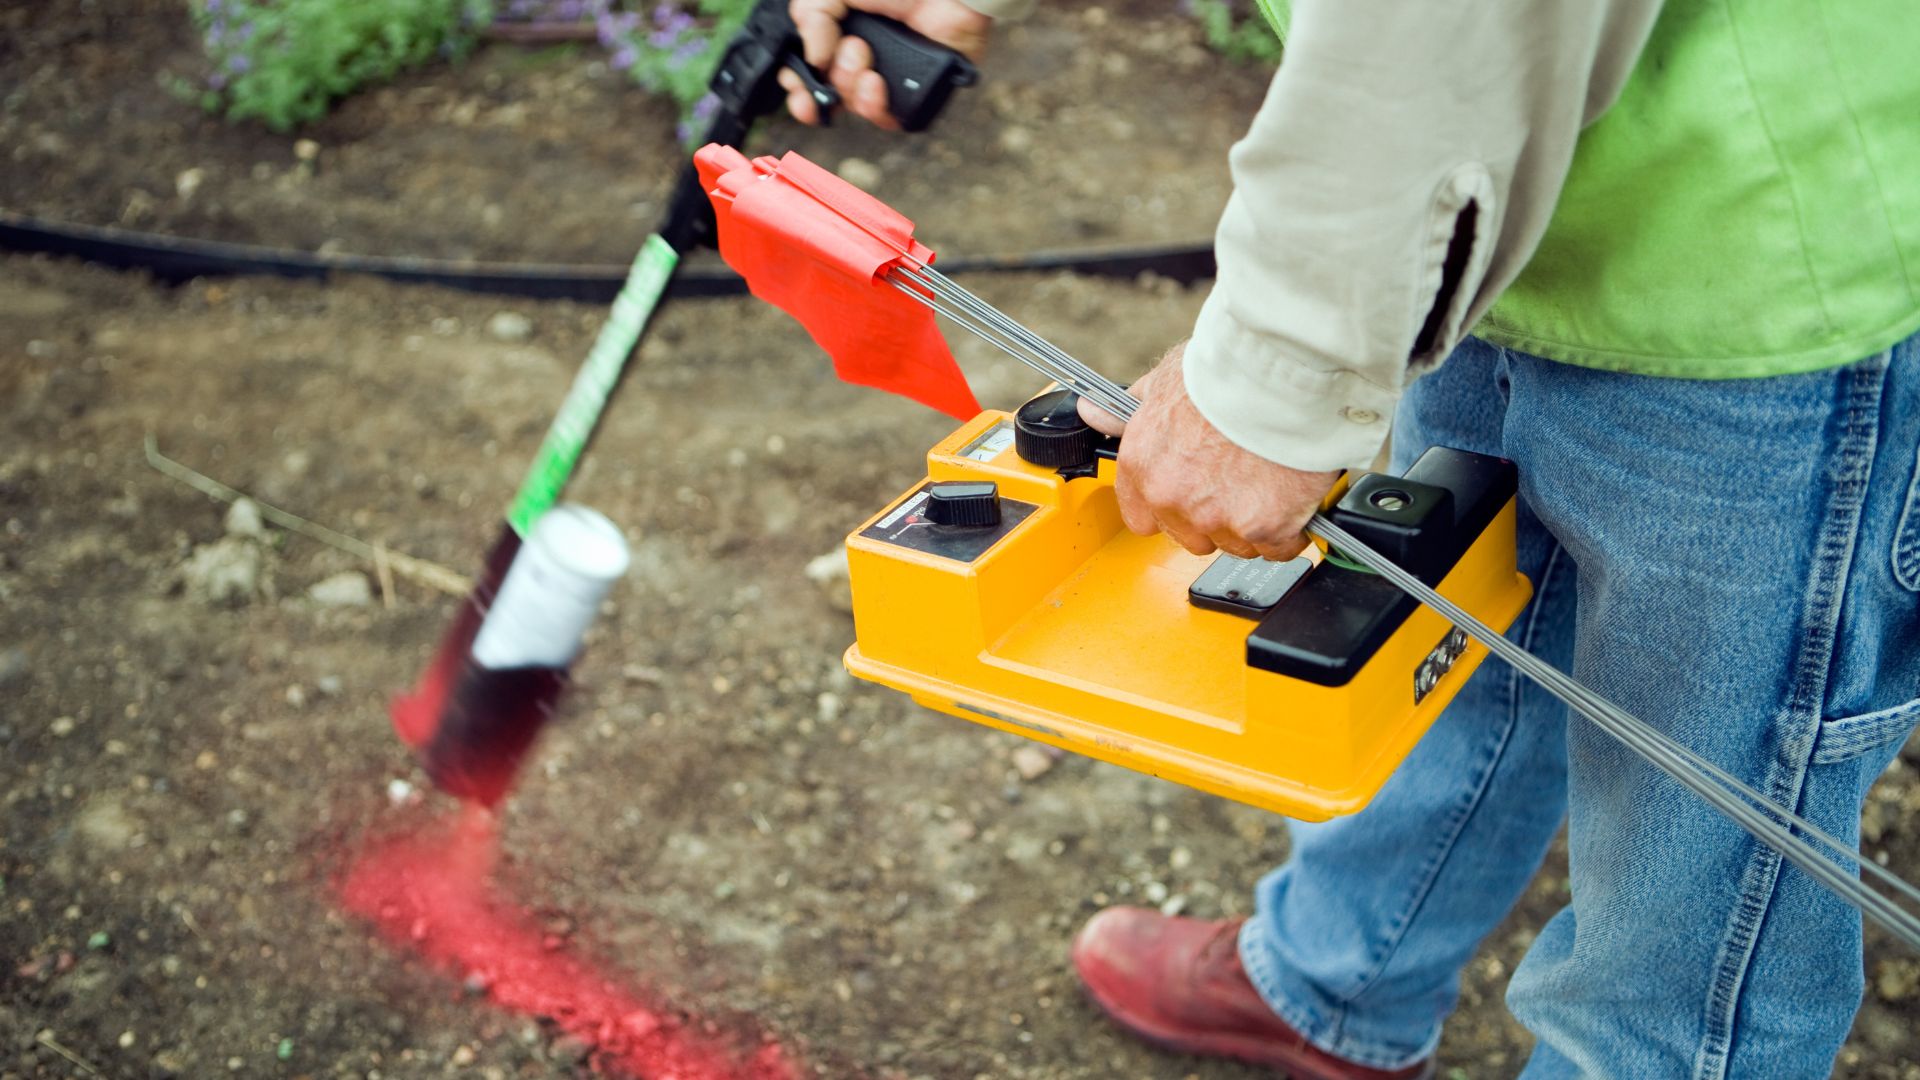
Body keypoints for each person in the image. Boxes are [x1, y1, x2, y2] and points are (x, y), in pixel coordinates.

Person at [783, 0, 1920, 1075]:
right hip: (1486, 218)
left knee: (1702, 892)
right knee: (1434, 655)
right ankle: (1337, 986)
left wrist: (1279, 369)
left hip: (1765, 276)